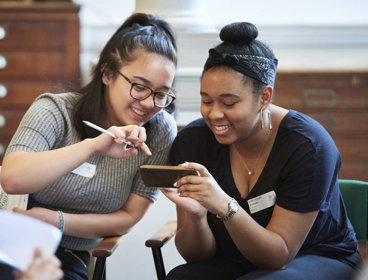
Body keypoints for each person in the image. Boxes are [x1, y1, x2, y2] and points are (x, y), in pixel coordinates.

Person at [160, 22, 362, 280]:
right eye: (206, 100)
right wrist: (196, 216)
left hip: (316, 257)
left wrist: (224, 205)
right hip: (235, 260)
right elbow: (196, 256)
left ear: (264, 98)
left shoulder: (307, 146)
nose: (214, 114)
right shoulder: (193, 143)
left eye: (229, 102)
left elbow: (279, 255)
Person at [0, 12, 177, 280]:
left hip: (70, 253)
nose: (150, 103)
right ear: (107, 73)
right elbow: (12, 179)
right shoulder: (55, 110)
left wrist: (57, 220)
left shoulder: (160, 130)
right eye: (140, 87)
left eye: (161, 93)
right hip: (9, 235)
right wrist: (93, 146)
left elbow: (129, 216)